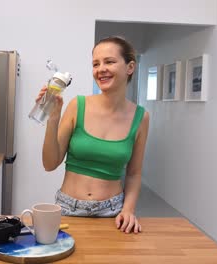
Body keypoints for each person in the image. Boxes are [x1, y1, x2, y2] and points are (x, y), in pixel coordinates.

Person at [37, 36, 149, 234]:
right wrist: (53, 118)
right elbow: (49, 163)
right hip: (68, 209)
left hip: (113, 213)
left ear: (130, 67)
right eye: (96, 64)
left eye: (109, 61)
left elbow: (134, 173)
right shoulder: (77, 106)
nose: (100, 69)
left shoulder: (141, 117)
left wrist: (129, 210)